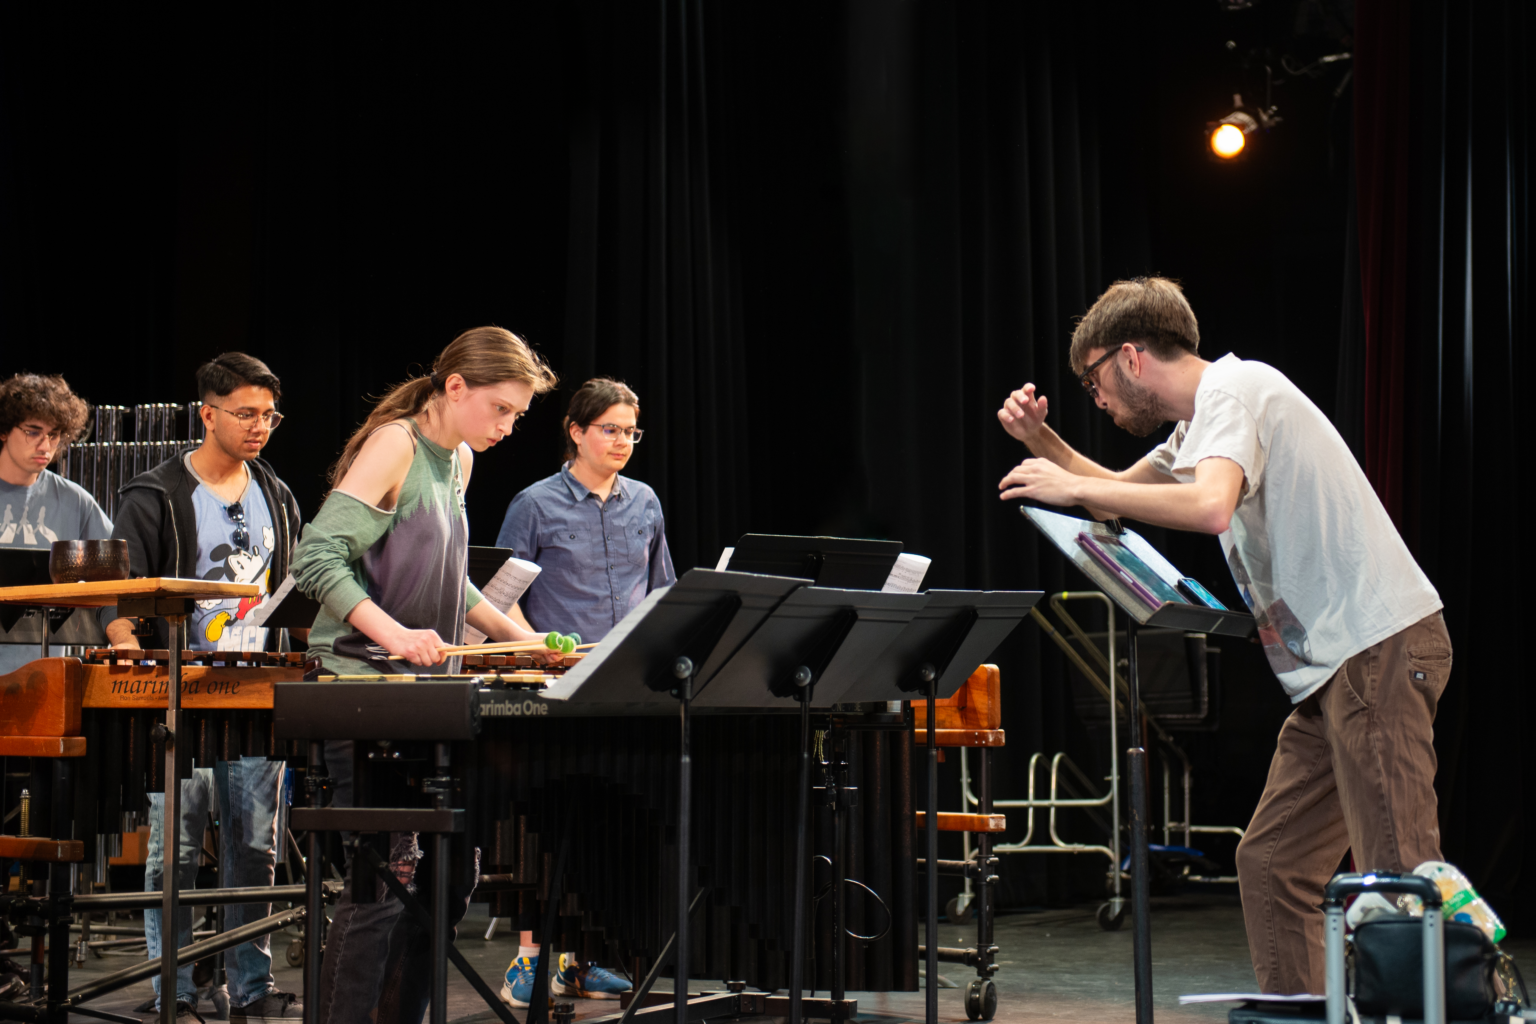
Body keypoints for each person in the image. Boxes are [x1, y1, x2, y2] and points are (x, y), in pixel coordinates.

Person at [995, 277, 1449, 996]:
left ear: (1131, 356)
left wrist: (1073, 490)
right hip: (1333, 669)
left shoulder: (1235, 393)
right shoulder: (1199, 426)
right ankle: (1297, 1014)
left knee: (1399, 875)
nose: (1097, 398)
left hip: (1375, 647)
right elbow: (1120, 494)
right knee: (1272, 863)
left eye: (1093, 380)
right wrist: (1040, 443)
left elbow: (1208, 507)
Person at [290, 326, 560, 1024]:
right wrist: (395, 634)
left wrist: (523, 640)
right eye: (501, 409)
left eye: (517, 415)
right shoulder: (397, 445)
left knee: (448, 880)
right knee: (386, 882)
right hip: (359, 690)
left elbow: (449, 576)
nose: (508, 427)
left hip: (427, 695)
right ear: (456, 387)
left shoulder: (458, 458)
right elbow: (315, 558)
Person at [105, 353, 305, 1022]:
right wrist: (129, 648)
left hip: (253, 692)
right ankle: (177, 988)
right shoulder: (155, 494)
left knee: (255, 847)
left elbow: (294, 586)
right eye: (245, 414)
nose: (259, 426)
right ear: (208, 414)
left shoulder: (277, 494)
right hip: (180, 692)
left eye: (269, 415)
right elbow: (120, 599)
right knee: (177, 851)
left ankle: (251, 985)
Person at [493, 377, 674, 1004]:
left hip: (625, 687)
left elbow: (660, 591)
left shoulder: (645, 501)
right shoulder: (535, 504)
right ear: (576, 431)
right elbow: (500, 596)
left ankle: (581, 960)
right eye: (610, 429)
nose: (623, 441)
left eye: (631, 431)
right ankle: (527, 962)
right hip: (555, 686)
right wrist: (532, 645)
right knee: (548, 828)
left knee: (609, 827)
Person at [0, 373, 113, 674]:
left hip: (45, 680)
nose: (45, 445)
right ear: (4, 430)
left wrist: (122, 635)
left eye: (54, 435)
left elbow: (116, 582)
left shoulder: (76, 501)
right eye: (33, 432)